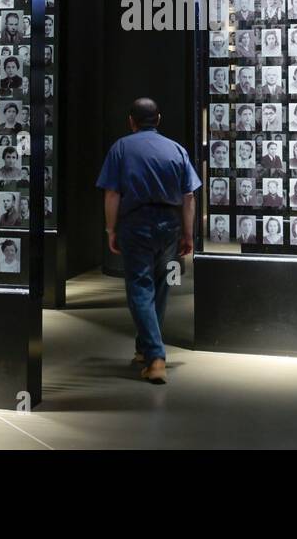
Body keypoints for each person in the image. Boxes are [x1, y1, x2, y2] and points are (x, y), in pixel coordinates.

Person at [96, 98, 201, 384]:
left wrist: (110, 229)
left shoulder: (121, 148)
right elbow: (189, 196)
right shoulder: (176, 150)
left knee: (140, 287)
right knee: (161, 285)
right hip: (169, 225)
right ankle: (145, 348)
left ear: (131, 120)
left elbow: (111, 194)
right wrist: (188, 233)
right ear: (159, 118)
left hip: (135, 224)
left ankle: (156, 357)